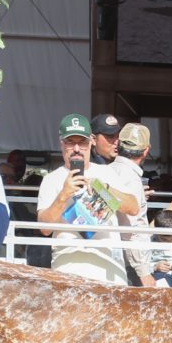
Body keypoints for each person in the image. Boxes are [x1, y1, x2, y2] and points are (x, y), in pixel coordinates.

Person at [35, 112, 141, 283]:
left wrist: (103, 189)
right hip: (67, 269)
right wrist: (64, 195)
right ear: (61, 143)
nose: (76, 149)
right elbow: (44, 228)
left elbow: (133, 207)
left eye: (82, 142)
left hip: (109, 269)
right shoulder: (51, 179)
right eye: (70, 142)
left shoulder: (107, 172)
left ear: (91, 142)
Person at [112, 122, 156, 286]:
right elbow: (132, 228)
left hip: (114, 257)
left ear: (118, 145)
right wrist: (143, 272)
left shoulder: (107, 170)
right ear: (146, 150)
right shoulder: (132, 179)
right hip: (129, 264)